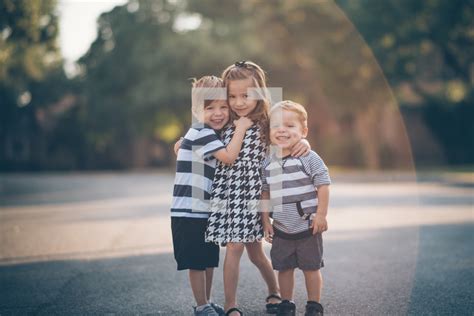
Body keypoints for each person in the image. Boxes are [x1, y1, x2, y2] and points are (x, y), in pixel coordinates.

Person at [205, 62, 311, 316]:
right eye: (232, 96)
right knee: (234, 246)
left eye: (246, 95)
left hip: (255, 193)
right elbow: (201, 132)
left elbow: (289, 133)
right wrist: (182, 142)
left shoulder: (267, 121)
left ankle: (274, 290)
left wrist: (304, 141)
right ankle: (231, 305)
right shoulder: (225, 120)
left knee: (255, 252)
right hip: (227, 193)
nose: (239, 102)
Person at [171, 75, 254, 316]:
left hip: (203, 209)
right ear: (196, 110)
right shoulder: (203, 132)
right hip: (189, 210)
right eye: (210, 108)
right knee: (197, 262)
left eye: (223, 107)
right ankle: (200, 305)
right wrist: (240, 128)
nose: (218, 113)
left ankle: (206, 301)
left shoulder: (205, 133)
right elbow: (229, 157)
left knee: (207, 259)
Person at [261, 100, 331, 316]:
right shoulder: (267, 161)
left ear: (304, 131)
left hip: (308, 226)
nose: (282, 130)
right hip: (282, 227)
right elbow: (265, 193)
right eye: (276, 126)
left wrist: (321, 215)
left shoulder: (308, 157)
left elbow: (323, 185)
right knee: (284, 268)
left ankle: (314, 305)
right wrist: (265, 221)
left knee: (311, 267)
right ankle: (287, 303)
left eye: (290, 126)